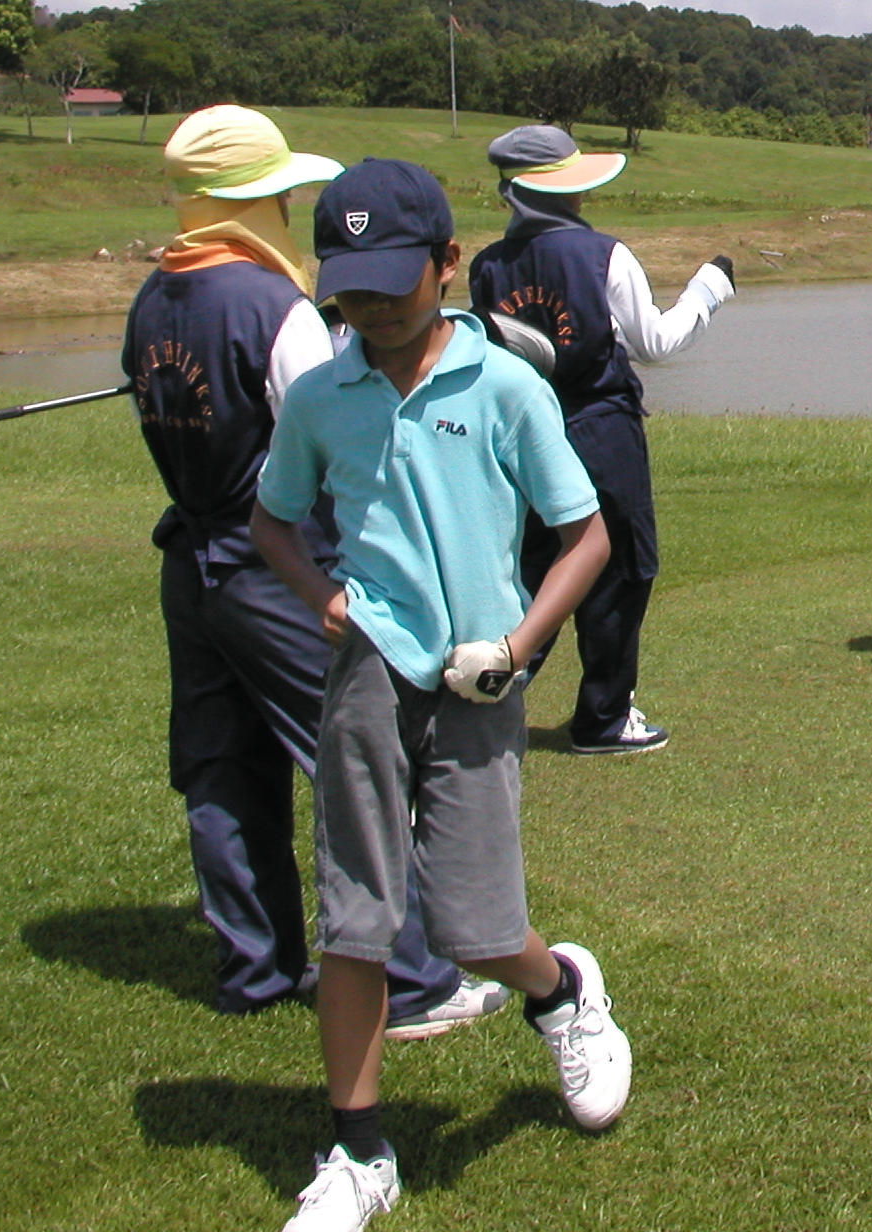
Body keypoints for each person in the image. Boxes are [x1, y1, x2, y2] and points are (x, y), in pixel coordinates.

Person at [252, 157, 628, 1232]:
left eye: (389, 283)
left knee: (474, 931)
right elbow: (272, 520)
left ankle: (559, 991)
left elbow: (586, 537)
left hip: (479, 677)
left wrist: (518, 644)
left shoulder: (506, 386)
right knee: (355, 919)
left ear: (448, 262)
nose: (369, 309)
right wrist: (322, 597)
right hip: (369, 668)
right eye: (348, 290)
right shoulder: (320, 398)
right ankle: (358, 1149)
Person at [122, 106, 496, 1038]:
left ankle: (255, 969)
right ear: (253, 201)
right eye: (279, 194)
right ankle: (412, 982)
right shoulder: (273, 305)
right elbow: (327, 434)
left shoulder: (151, 299)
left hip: (191, 570)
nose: (288, 208)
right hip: (276, 570)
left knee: (220, 765)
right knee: (352, 769)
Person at [467, 124, 734, 755]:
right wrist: (708, 289)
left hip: (523, 436)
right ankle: (604, 718)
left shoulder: (486, 266)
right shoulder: (603, 254)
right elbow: (655, 343)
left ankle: (494, 688)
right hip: (599, 430)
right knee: (619, 567)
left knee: (534, 565)